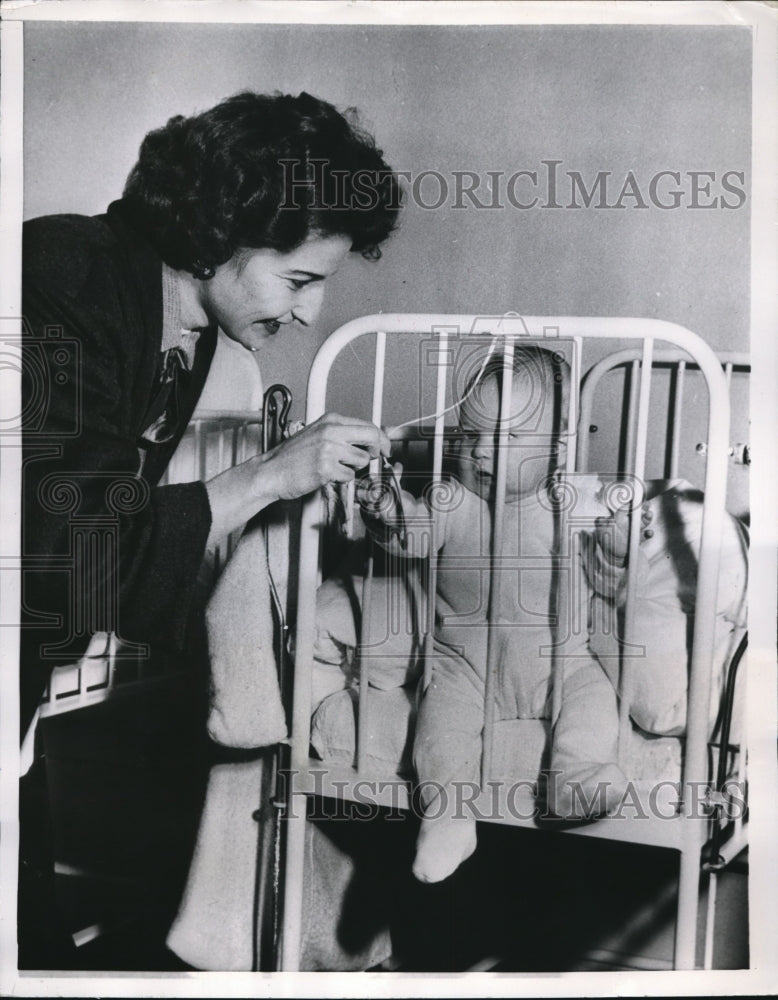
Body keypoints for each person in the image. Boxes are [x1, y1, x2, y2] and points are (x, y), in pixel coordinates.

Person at [20, 90, 399, 967]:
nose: (307, 314)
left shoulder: (181, 328)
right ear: (217, 231)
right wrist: (263, 477)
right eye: (298, 279)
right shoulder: (60, 277)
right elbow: (66, 544)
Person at [359, 345, 626, 885]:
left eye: (504, 438)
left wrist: (619, 541)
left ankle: (575, 775)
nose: (480, 451)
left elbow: (610, 577)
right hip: (463, 667)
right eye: (469, 433)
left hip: (559, 664)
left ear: (558, 444)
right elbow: (412, 537)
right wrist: (389, 511)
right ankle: (449, 818)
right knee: (438, 734)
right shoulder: (453, 501)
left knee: (593, 700)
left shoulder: (572, 503)